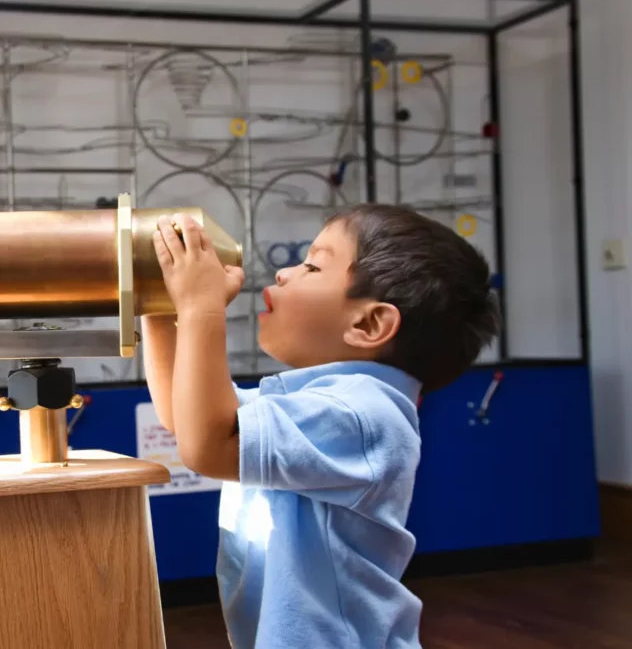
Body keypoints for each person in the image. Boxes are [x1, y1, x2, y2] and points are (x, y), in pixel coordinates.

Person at [142, 204, 501, 648]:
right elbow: (186, 418)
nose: (283, 274)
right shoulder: (315, 403)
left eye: (312, 265)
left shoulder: (364, 415)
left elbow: (208, 444)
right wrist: (159, 308)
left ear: (369, 323)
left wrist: (201, 307)